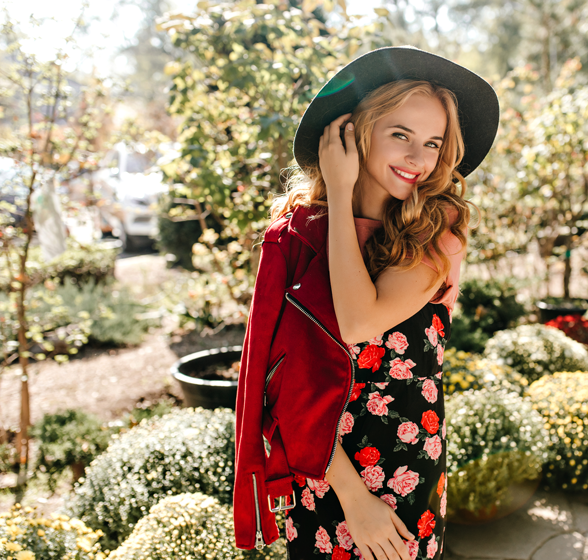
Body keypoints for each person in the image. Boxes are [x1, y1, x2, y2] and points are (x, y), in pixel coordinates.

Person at [232, 47, 499, 560]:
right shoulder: (297, 236)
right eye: (401, 134)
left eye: (432, 143)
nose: (418, 158)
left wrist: (340, 190)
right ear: (355, 133)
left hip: (403, 470)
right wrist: (350, 495)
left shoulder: (435, 236)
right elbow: (284, 383)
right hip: (319, 470)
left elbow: (358, 321)